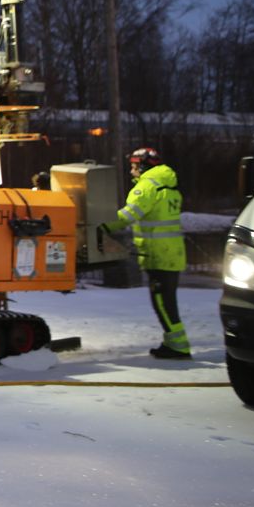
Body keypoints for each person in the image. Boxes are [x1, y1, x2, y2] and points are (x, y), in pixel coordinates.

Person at [100, 146, 190, 359]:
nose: (131, 171)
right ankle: (173, 342)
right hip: (171, 252)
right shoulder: (169, 185)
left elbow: (128, 215)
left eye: (133, 167)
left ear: (142, 166)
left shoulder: (148, 185)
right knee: (166, 300)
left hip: (159, 254)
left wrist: (100, 226)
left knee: (162, 301)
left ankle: (179, 346)